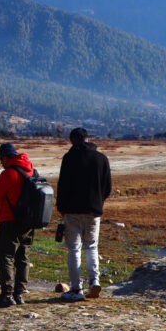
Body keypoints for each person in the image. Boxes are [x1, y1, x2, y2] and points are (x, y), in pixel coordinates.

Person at [56, 127, 112, 302]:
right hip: (93, 211)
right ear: (88, 138)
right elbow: (107, 187)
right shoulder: (101, 158)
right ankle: (94, 281)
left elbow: (62, 186)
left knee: (74, 249)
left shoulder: (69, 158)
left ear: (72, 140)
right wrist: (98, 202)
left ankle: (76, 288)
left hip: (72, 211)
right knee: (91, 246)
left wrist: (61, 207)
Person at [0, 142, 35, 307]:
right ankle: (19, 294)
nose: (1, 162)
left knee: (5, 256)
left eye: (1, 159)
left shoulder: (8, 174)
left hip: (10, 220)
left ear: (7, 158)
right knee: (23, 257)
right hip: (28, 221)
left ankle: (7, 295)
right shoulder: (31, 170)